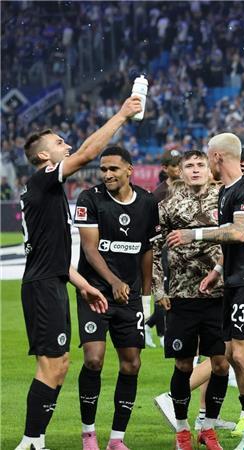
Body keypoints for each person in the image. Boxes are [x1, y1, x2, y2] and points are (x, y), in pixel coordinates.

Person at [16, 96, 140, 450]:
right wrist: (121, 115)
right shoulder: (43, 180)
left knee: (59, 365)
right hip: (43, 287)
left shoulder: (47, 191)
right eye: (59, 143)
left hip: (52, 281)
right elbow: (86, 154)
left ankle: (35, 440)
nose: (66, 146)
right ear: (44, 156)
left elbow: (54, 256)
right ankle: (31, 441)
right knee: (52, 365)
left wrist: (84, 285)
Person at [167, 132, 244, 449]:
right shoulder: (227, 191)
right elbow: (232, 243)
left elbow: (240, 232)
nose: (206, 161)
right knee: (231, 354)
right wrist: (217, 272)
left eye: (207, 156)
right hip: (233, 281)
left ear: (217, 157)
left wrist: (193, 235)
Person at [73, 146, 158, 450]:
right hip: (94, 292)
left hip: (129, 297)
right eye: (103, 169)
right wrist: (113, 281)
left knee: (131, 364)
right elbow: (90, 249)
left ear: (129, 170)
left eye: (113, 169)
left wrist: (145, 297)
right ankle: (88, 434)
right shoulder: (90, 198)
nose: (107, 174)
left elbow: (147, 251)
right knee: (94, 360)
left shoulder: (147, 202)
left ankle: (117, 439)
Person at [149, 150, 230, 450]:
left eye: (200, 165)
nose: (195, 170)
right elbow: (154, 250)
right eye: (189, 166)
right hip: (182, 295)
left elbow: (238, 238)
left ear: (209, 170)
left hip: (219, 295)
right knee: (183, 365)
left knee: (221, 364)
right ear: (180, 172)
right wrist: (158, 289)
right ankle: (182, 430)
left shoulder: (225, 200)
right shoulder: (168, 205)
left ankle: (208, 427)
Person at [147, 149, 184, 347]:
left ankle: (151, 325)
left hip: (188, 251)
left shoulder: (191, 187)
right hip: (166, 250)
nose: (179, 169)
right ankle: (163, 332)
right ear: (164, 168)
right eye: (175, 165)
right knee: (167, 290)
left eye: (180, 164)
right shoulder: (158, 195)